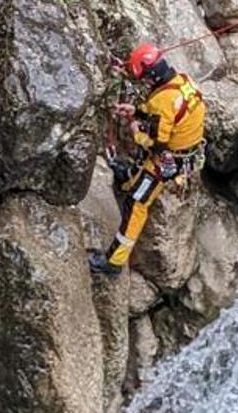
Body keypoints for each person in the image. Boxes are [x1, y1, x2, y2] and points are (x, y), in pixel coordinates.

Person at [89, 43, 207, 278]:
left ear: (152, 76)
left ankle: (114, 261)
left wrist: (136, 130)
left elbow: (157, 143)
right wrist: (137, 111)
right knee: (141, 164)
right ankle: (127, 178)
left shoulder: (164, 100)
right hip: (187, 149)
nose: (144, 83)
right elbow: (166, 115)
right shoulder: (182, 81)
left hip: (169, 159)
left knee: (136, 204)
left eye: (144, 79)